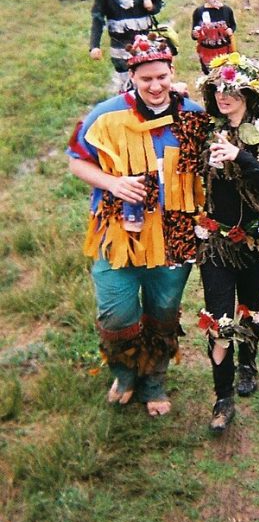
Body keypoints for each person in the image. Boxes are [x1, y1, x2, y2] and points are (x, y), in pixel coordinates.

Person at [67, 32, 205, 417]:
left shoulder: (192, 115)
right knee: (116, 312)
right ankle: (124, 373)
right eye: (146, 79)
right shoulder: (105, 114)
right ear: (133, 77)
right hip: (118, 235)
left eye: (162, 76)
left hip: (174, 236)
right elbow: (76, 159)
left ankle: (154, 380)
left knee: (163, 312)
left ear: (172, 71)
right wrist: (112, 182)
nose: (156, 86)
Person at [194, 53, 259, 430]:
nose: (224, 96)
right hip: (216, 242)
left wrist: (241, 157)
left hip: (256, 240)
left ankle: (248, 362)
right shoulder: (206, 130)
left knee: (249, 307)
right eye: (219, 88)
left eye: (233, 90)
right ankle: (222, 399)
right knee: (218, 320)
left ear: (250, 95)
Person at [89, 0, 164, 89]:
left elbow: (158, 3)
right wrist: (94, 46)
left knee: (146, 77)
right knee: (126, 81)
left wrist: (152, 7)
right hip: (120, 43)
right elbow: (97, 19)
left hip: (143, 41)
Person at [191, 0, 237, 74]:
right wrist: (194, 34)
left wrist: (230, 30)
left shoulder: (226, 10)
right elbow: (194, 33)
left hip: (224, 52)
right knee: (210, 79)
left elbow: (233, 25)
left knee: (225, 76)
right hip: (206, 53)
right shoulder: (199, 12)